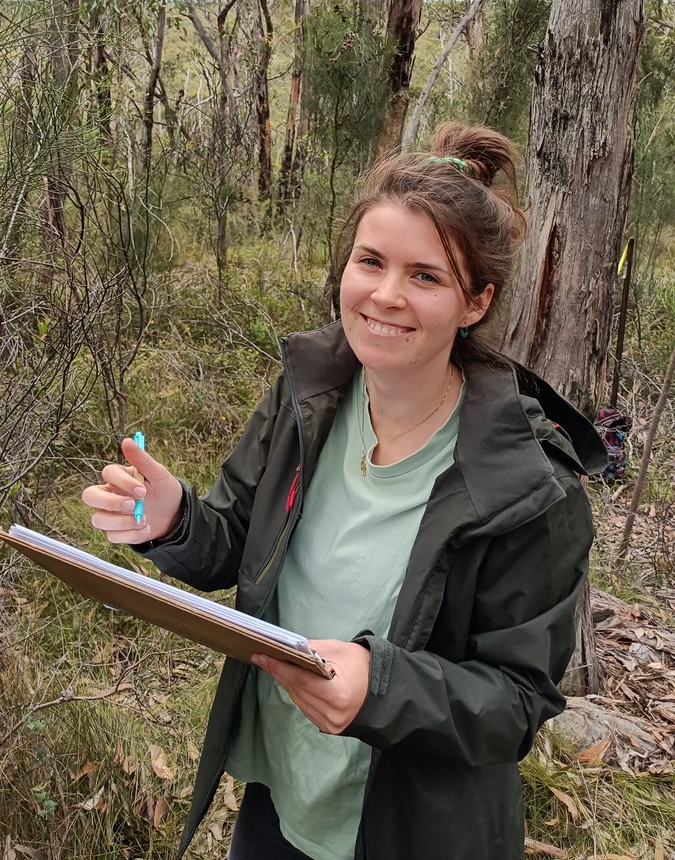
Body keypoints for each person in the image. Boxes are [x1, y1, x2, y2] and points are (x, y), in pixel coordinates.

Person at [82, 123, 605, 860]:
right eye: (370, 261)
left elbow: (515, 704)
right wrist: (172, 522)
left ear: (475, 303)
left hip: (410, 829)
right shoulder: (309, 393)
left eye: (425, 276)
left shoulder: (529, 488)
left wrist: (380, 687)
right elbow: (233, 544)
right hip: (279, 798)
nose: (385, 295)